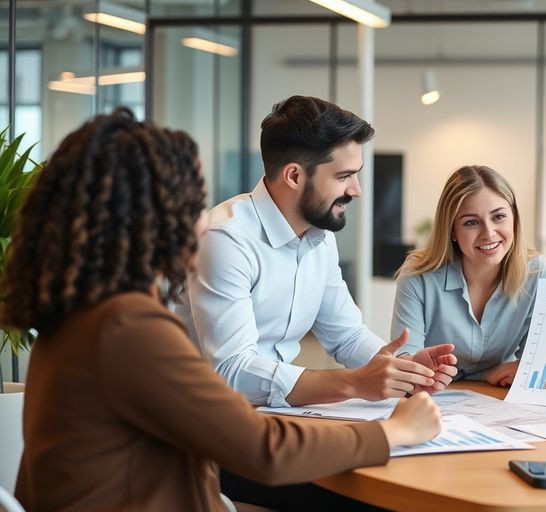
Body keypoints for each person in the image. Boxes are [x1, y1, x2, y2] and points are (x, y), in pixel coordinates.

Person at [1, 109, 442, 511]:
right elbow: (263, 449)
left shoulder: (83, 312)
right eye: (193, 202)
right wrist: (392, 432)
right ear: (153, 218)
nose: (202, 218)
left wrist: (397, 370)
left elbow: (342, 339)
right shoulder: (126, 326)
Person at [174, 95, 458, 409]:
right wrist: (352, 382)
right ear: (294, 176)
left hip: (275, 416)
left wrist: (404, 368)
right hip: (203, 422)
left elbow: (347, 336)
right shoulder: (225, 239)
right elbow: (232, 372)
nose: (356, 190)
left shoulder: (319, 236)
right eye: (344, 176)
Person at [392, 165, 546, 387]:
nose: (488, 233)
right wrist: (485, 374)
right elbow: (406, 363)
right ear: (451, 230)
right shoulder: (418, 277)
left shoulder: (537, 274)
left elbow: (538, 363)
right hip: (433, 400)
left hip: (499, 399)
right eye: (471, 222)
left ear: (514, 218)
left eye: (498, 217)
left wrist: (524, 369)